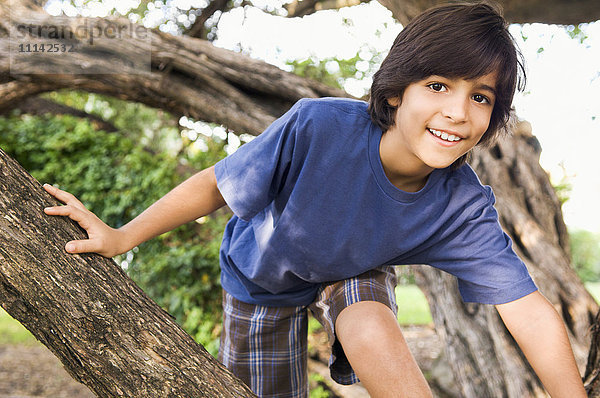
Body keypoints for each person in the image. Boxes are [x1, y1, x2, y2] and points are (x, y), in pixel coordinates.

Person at [43, 1, 586, 397]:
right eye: (438, 86)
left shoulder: (462, 204)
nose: (458, 112)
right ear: (397, 90)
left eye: (481, 96)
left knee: (369, 320)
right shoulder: (319, 126)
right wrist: (122, 237)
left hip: (355, 267)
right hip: (262, 276)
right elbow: (216, 184)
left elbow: (528, 311)